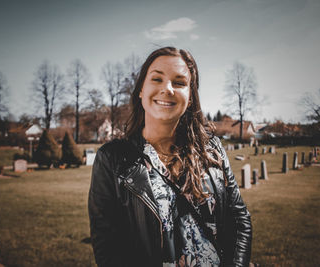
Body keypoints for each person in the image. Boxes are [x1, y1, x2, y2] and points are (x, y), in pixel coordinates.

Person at [88, 47, 252, 267]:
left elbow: (240, 220)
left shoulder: (213, 150)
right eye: (157, 79)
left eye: (179, 82)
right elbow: (107, 246)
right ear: (141, 91)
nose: (167, 89)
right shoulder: (112, 159)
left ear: (191, 97)